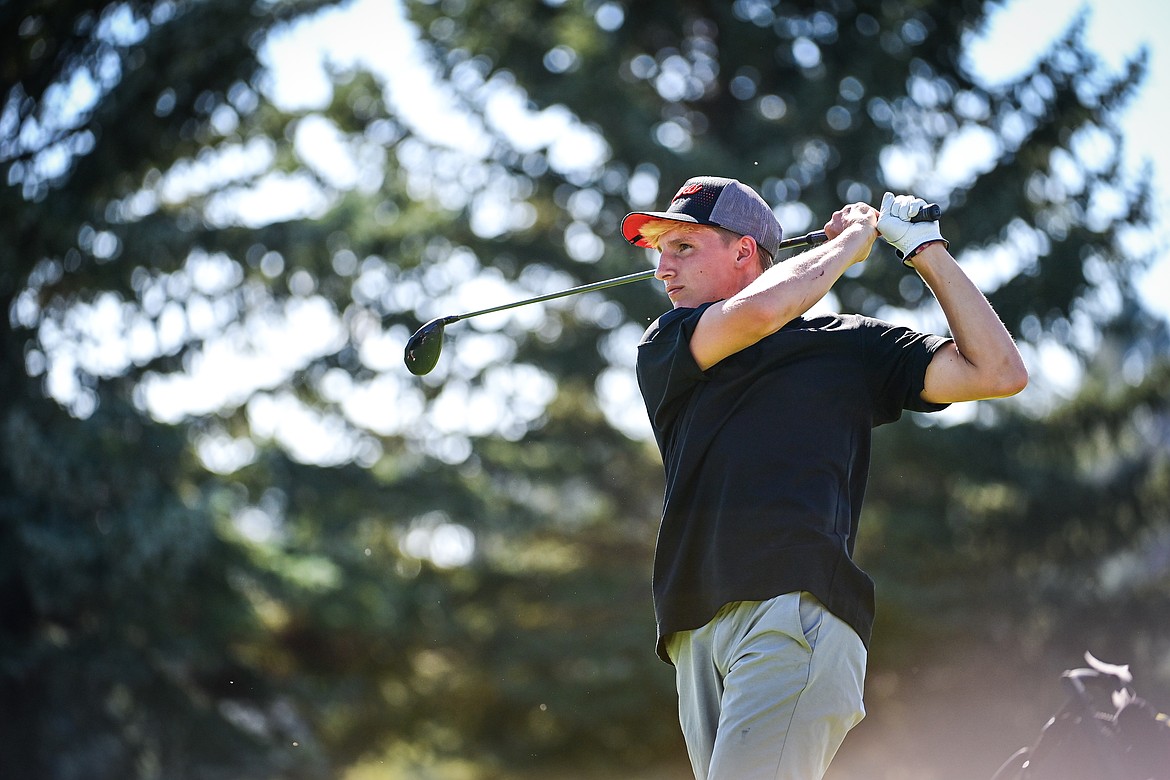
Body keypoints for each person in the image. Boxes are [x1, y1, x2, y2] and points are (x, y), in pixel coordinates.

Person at [621, 176, 1028, 780]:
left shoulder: (851, 347)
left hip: (795, 608)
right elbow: (761, 311)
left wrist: (925, 252)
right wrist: (850, 243)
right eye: (660, 251)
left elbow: (997, 371)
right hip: (695, 634)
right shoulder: (671, 344)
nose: (663, 269)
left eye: (683, 247)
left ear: (743, 251)